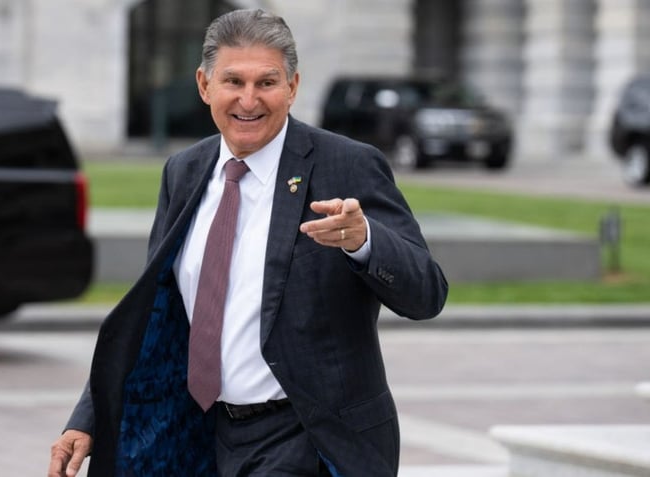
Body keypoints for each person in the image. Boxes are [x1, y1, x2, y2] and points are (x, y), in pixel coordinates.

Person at [49, 8, 447, 477]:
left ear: (293, 88)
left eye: (267, 83)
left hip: (306, 438)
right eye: (233, 81)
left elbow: (427, 293)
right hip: (203, 434)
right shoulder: (184, 172)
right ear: (204, 85)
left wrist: (365, 241)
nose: (249, 100)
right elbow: (156, 313)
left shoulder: (347, 165)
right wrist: (89, 418)